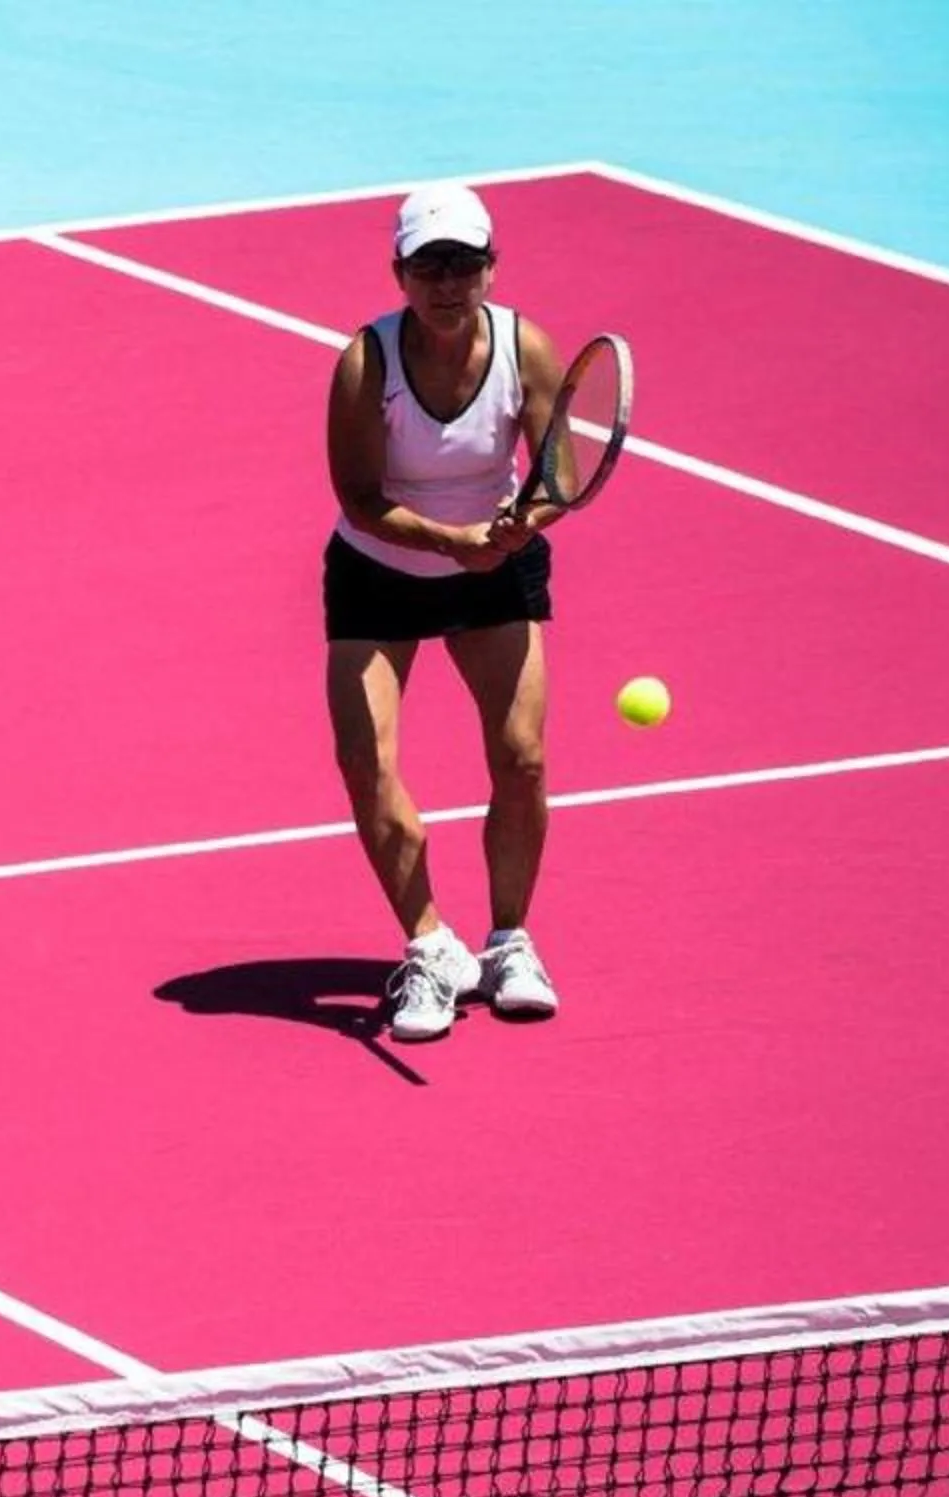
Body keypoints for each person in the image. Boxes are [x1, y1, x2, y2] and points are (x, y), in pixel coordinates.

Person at [322, 182, 570, 1043]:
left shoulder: (525, 349)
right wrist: (448, 540)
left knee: (522, 758)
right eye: (428, 266)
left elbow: (558, 477)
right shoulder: (367, 363)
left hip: (494, 574)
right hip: (379, 575)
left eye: (463, 264)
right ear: (399, 274)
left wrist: (521, 524)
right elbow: (358, 498)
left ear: (490, 270)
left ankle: (509, 943)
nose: (447, 283)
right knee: (366, 761)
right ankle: (430, 948)